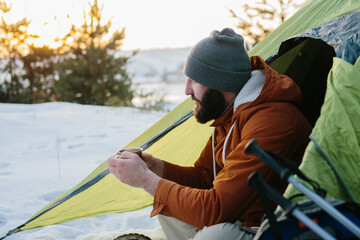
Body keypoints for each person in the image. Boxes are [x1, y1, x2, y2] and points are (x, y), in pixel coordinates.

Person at [107, 28, 312, 240]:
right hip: (241, 219)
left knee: (215, 235)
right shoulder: (231, 113)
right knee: (170, 204)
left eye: (194, 80)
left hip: (278, 229)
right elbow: (206, 178)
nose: (187, 91)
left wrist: (146, 180)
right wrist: (156, 168)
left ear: (219, 83)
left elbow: (216, 209)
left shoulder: (271, 121)